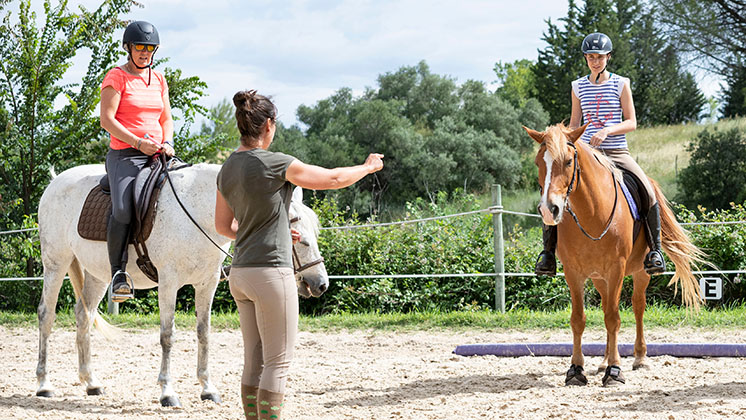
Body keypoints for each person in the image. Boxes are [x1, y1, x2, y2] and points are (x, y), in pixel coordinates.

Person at [214, 90, 383, 420]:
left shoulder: (227, 169)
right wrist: (367, 167)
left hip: (240, 274)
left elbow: (224, 225)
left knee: (254, 361)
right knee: (278, 362)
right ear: (269, 125)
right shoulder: (275, 162)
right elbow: (333, 178)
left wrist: (269, 231)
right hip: (271, 274)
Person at [534, 32, 665, 276]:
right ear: (585, 58)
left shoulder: (621, 83)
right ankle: (548, 254)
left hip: (616, 151)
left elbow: (632, 121)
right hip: (587, 153)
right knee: (551, 192)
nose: (596, 61)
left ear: (608, 57)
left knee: (647, 189)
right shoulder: (578, 86)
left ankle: (655, 251)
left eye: (600, 57)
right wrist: (562, 140)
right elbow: (575, 123)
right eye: (591, 57)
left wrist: (607, 131)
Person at [100, 20, 174, 302]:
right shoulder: (116, 77)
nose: (145, 52)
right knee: (122, 208)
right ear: (128, 48)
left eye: (150, 48)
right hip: (125, 155)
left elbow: (166, 118)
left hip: (157, 153)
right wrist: (138, 143)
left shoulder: (159, 79)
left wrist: (166, 142)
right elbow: (107, 119)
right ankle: (118, 272)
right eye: (140, 47)